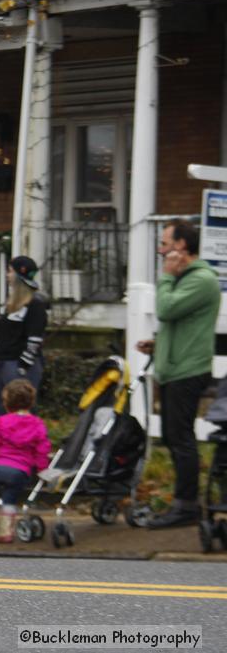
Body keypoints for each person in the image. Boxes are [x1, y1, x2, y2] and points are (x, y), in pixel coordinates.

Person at [136, 219, 221, 528]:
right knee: (174, 437)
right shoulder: (187, 279)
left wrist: (166, 278)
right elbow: (181, 324)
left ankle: (186, 507)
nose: (160, 249)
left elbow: (166, 309)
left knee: (181, 438)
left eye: (165, 243)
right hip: (175, 366)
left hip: (188, 369)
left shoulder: (200, 280)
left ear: (181, 246)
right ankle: (184, 503)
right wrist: (159, 345)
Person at [0, 379, 50, 543]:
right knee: (9, 499)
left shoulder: (2, 422)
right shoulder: (37, 424)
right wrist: (42, 469)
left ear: (7, 403)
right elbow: (42, 449)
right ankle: (5, 531)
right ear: (31, 402)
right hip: (20, 471)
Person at [0, 256, 48, 415]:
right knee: (3, 411)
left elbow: (35, 337)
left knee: (21, 411)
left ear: (18, 274)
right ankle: (4, 440)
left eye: (10, 271)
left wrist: (23, 366)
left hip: (18, 366)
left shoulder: (35, 304)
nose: (7, 275)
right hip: (1, 362)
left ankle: (25, 440)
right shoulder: (10, 305)